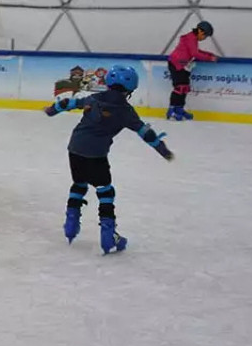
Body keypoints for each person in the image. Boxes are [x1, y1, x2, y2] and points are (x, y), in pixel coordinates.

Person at [44, 65, 173, 254]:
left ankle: (70, 225)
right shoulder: (127, 111)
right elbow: (145, 132)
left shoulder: (93, 99)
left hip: (75, 148)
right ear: (130, 89)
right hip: (97, 154)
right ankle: (108, 235)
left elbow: (67, 104)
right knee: (105, 191)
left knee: (79, 183)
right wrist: (163, 150)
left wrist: (50, 110)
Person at [166, 21, 219, 121]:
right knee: (179, 88)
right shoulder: (191, 38)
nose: (204, 38)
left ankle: (179, 109)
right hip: (176, 64)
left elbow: (197, 51)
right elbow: (195, 53)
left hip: (183, 65)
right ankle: (172, 110)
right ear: (200, 31)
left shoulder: (193, 39)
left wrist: (210, 55)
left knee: (185, 88)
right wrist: (210, 58)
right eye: (205, 36)